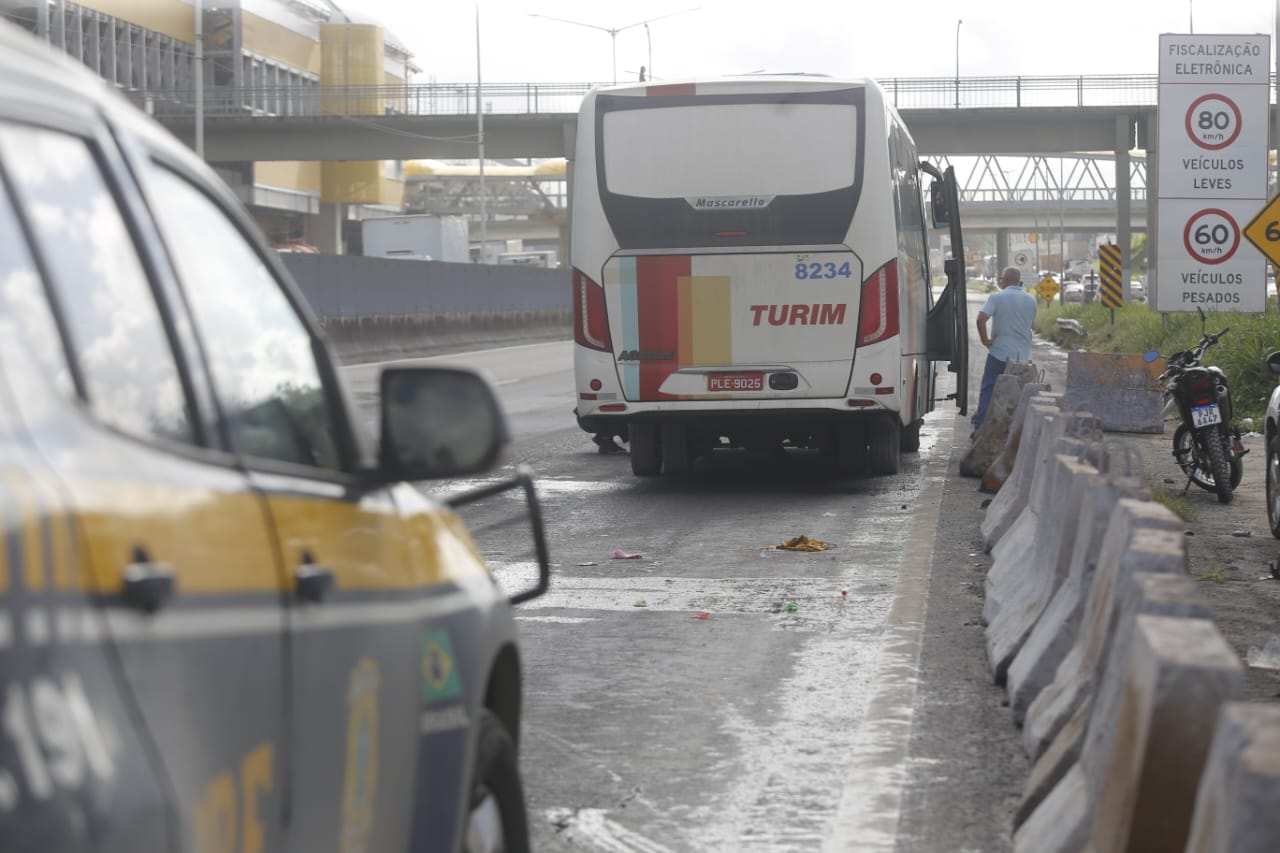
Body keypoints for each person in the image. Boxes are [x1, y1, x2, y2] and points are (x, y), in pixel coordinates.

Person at [972, 266, 1038, 435]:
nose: (1001, 281)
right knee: (1017, 394)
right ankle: (1012, 433)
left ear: (1007, 280)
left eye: (1002, 279)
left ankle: (980, 428)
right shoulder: (1031, 300)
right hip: (1021, 358)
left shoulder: (997, 297)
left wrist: (985, 340)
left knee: (989, 389)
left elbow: (980, 320)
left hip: (998, 355)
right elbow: (1030, 324)